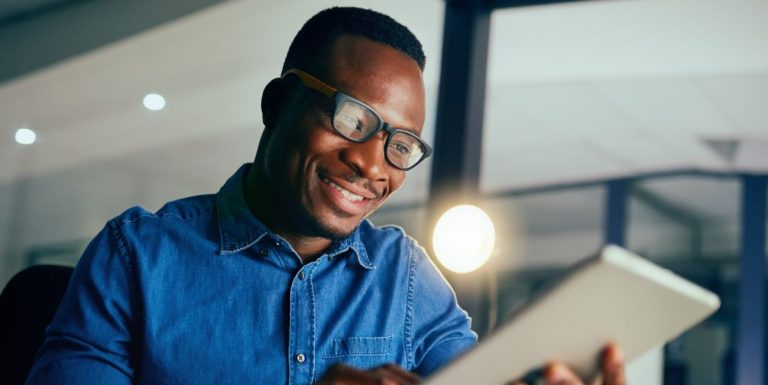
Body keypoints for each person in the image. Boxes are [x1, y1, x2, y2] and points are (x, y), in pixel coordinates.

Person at [25, 6, 625, 385]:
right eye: (350, 118)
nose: (371, 164)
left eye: (402, 143)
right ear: (277, 105)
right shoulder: (135, 256)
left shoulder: (407, 277)